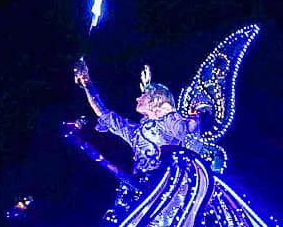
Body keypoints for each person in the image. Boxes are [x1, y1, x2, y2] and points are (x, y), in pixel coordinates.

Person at [73, 59, 207, 177]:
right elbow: (103, 113)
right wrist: (87, 82)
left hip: (169, 182)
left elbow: (188, 135)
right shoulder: (135, 132)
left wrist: (194, 118)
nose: (138, 98)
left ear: (156, 100)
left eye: (144, 95)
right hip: (143, 184)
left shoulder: (168, 120)